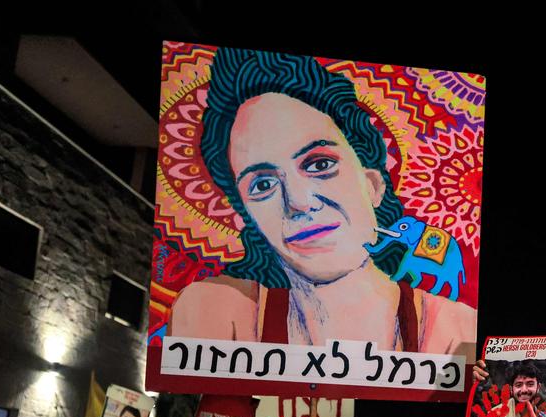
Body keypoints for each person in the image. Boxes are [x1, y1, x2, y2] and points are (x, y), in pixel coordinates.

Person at [168, 46, 475, 360]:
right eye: (263, 184)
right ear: (248, 215)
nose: (299, 202)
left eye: (319, 164)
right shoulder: (218, 311)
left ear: (371, 185)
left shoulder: (456, 331)